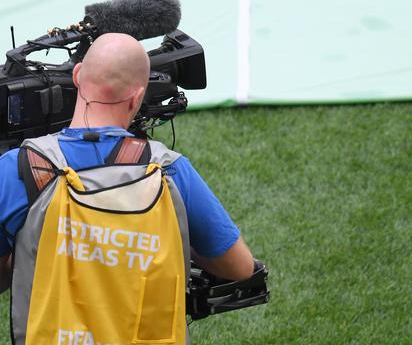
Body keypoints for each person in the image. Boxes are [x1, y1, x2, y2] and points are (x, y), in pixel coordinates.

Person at [0, 33, 254, 344]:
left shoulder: (20, 168)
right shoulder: (169, 170)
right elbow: (239, 267)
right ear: (136, 97)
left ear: (78, 75)